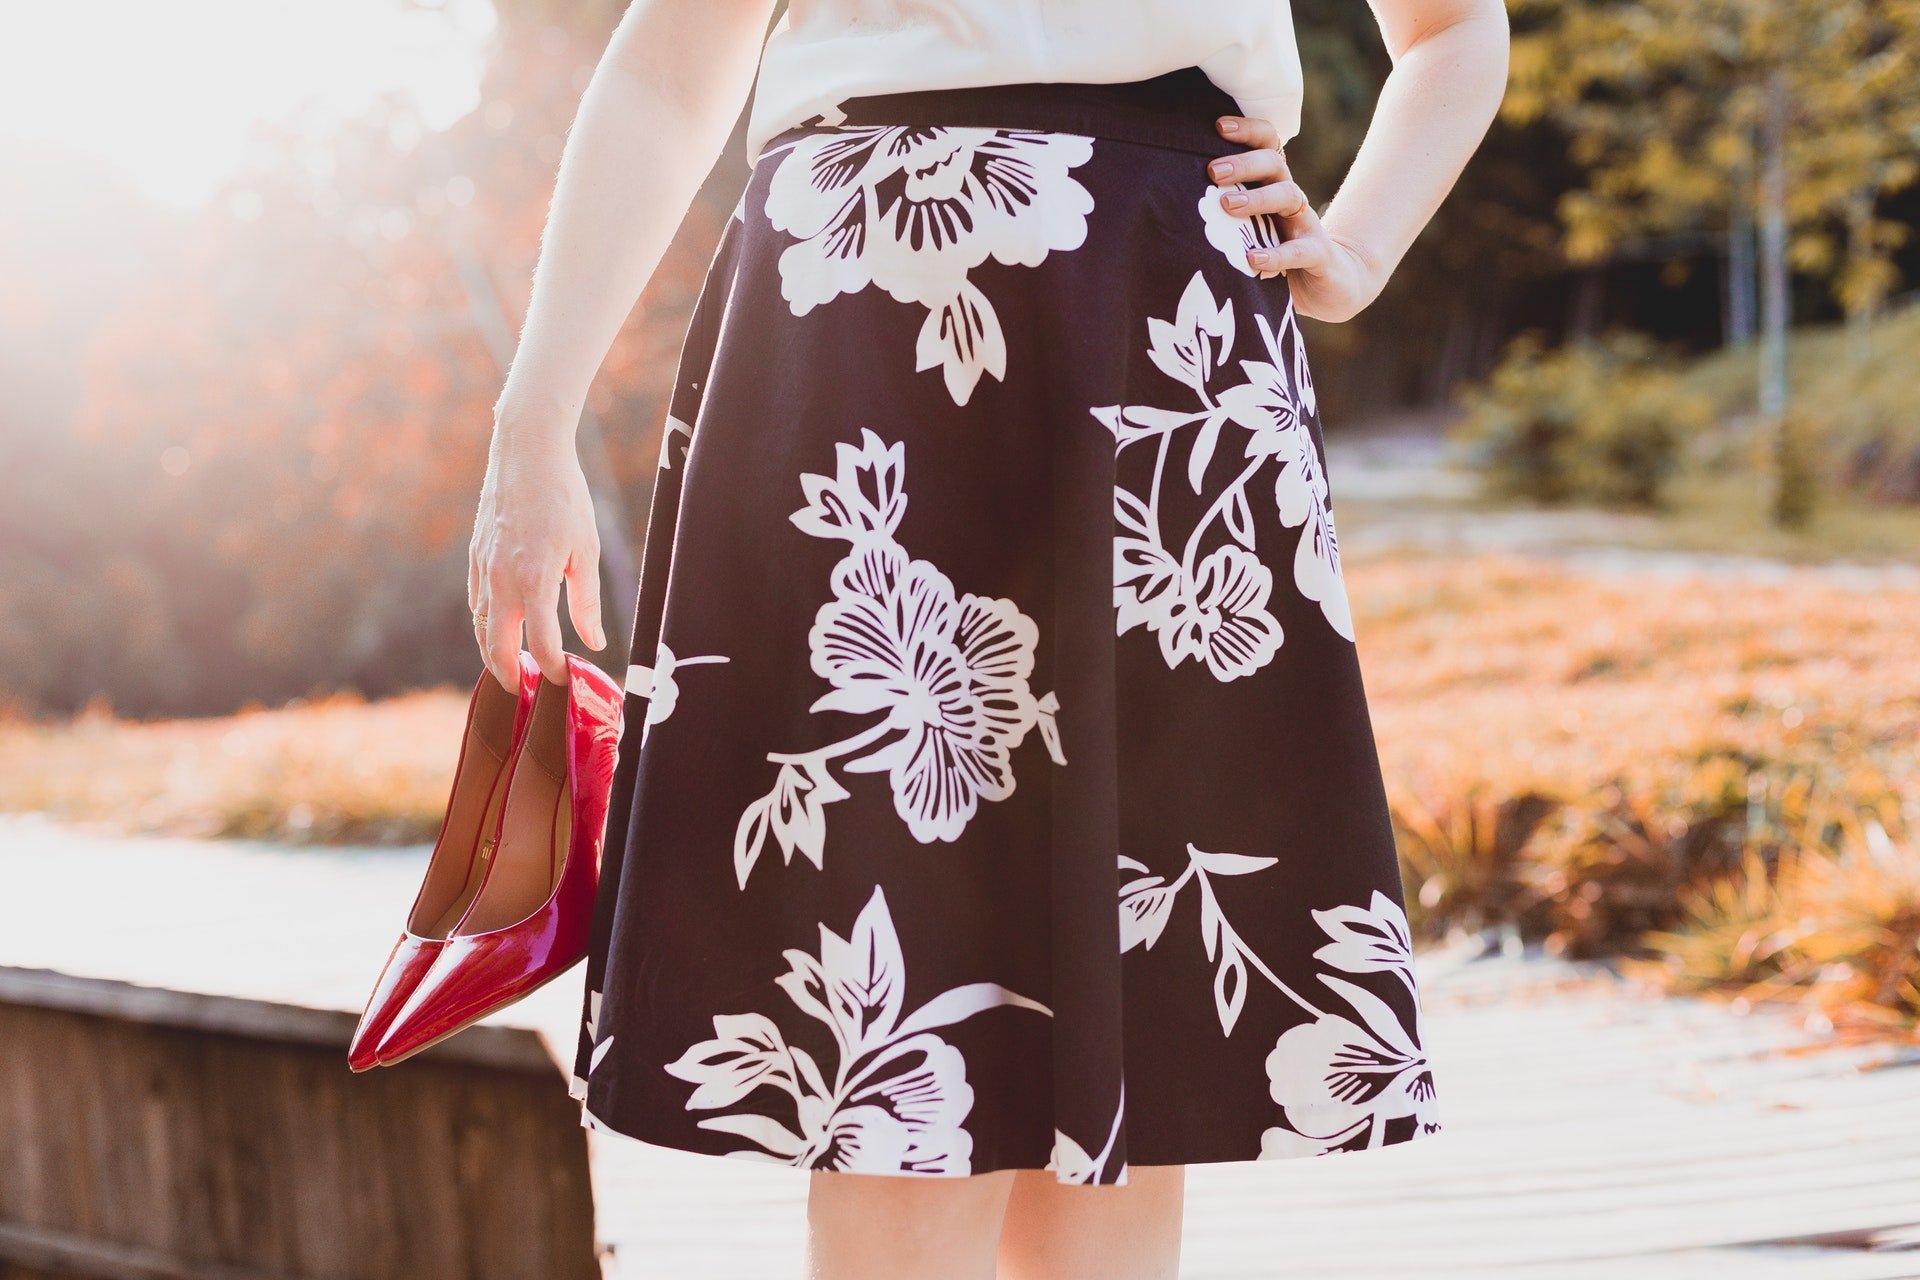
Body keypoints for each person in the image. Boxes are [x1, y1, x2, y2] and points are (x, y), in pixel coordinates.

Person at [466, 1, 1509, 1275]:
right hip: (854, 317)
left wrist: (1361, 244)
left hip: (1153, 311)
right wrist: (534, 419)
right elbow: (665, 79)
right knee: (889, 1053)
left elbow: (1456, 28)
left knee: (1126, 1056)